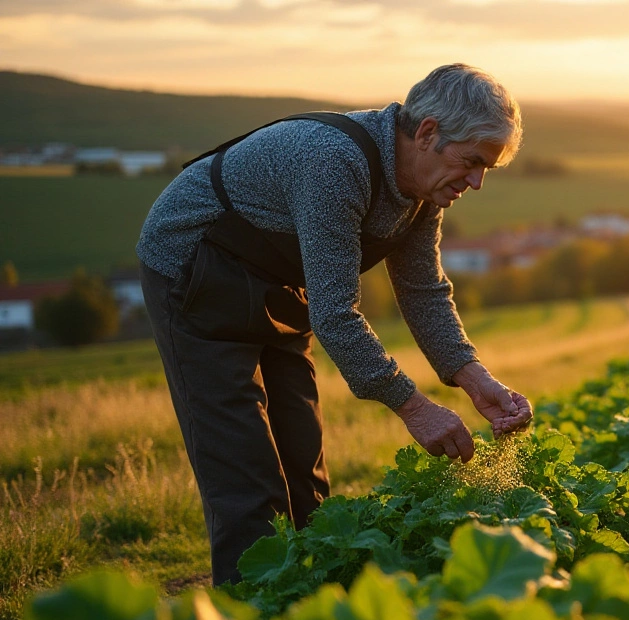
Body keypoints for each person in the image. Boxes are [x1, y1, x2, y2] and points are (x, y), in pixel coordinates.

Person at [136, 64, 532, 585]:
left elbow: (423, 290)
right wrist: (414, 408)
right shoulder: (335, 161)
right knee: (246, 474)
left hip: (277, 279)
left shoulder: (424, 186)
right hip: (195, 270)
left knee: (304, 463)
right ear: (429, 132)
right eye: (473, 162)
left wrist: (474, 378)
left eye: (489, 169)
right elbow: (336, 313)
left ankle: (313, 606)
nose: (476, 182)